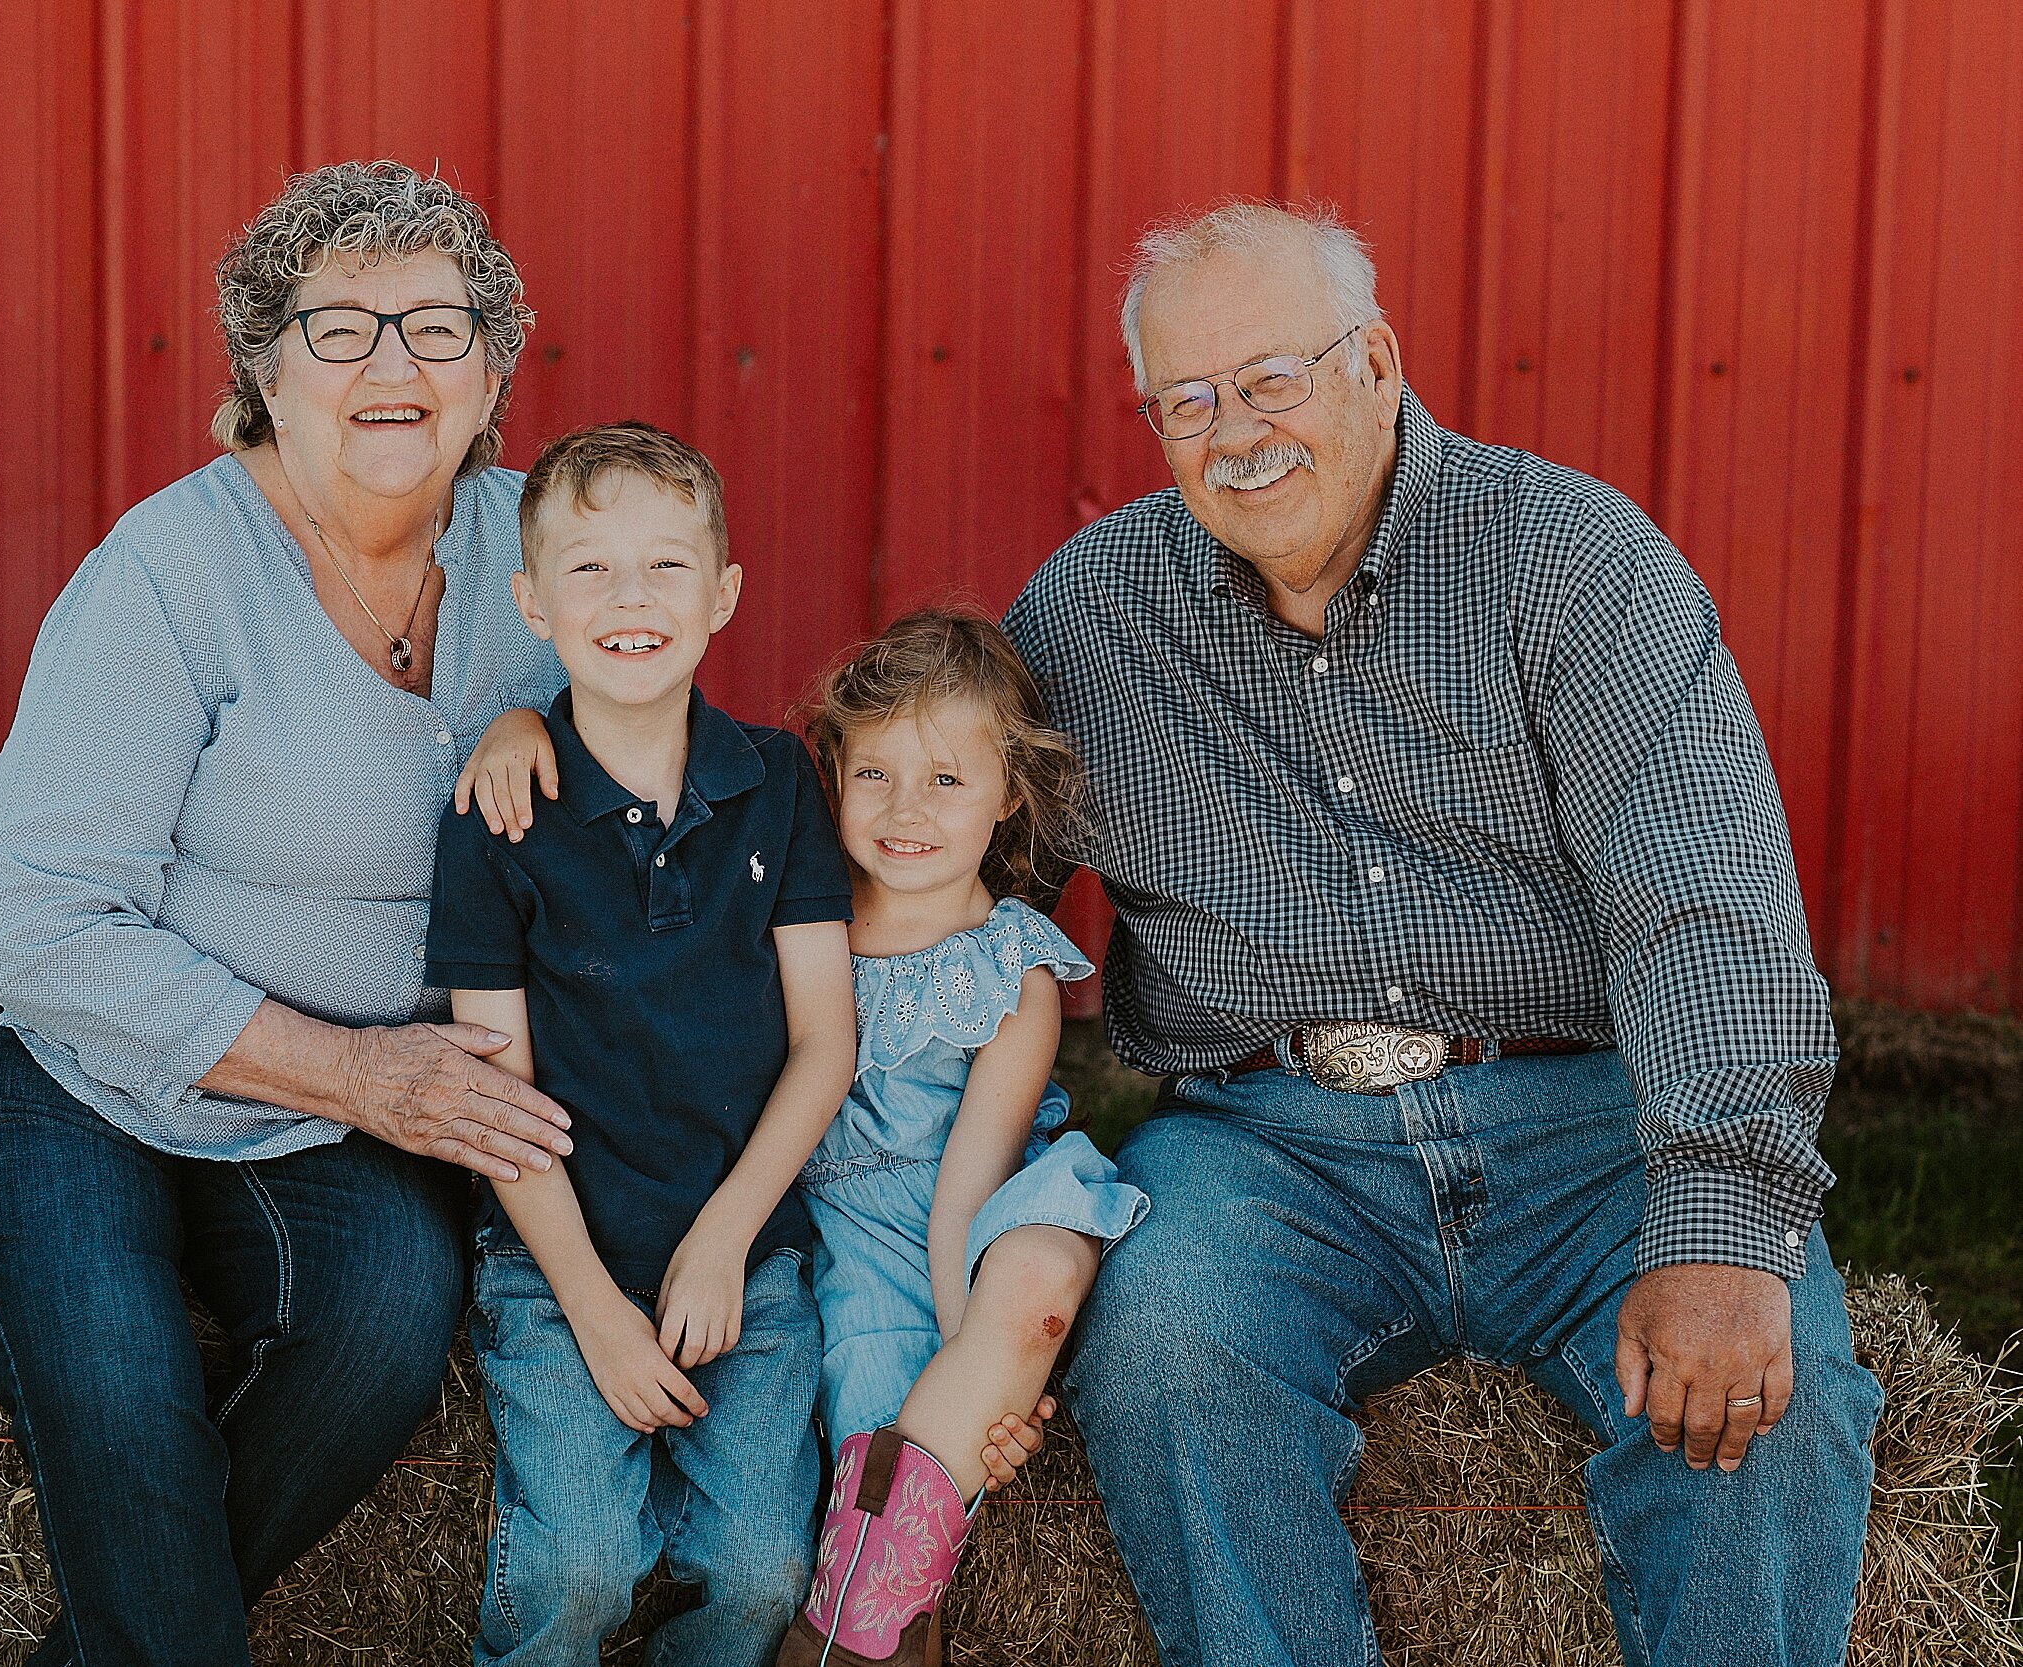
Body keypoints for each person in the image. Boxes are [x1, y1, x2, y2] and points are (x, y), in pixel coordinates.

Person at [1004, 201, 1882, 1667]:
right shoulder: (1093, 615)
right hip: (1265, 1142)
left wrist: (1726, 1217)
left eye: (1274, 377)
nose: (1236, 434)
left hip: (1589, 1116)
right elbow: (948, 883)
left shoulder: (1572, 563)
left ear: (1380, 361)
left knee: (1768, 1405)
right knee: (1160, 1344)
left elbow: (1705, 900)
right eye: (1189, 401)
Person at [0, 161, 574, 1667]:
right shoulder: (172, 571)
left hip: (277, 1092)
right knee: (121, 1383)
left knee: (381, 1327)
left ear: (492, 365)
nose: (391, 366)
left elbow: (663, 764)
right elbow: (41, 924)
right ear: (265, 367)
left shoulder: (545, 554)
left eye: (435, 325)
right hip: (6, 1035)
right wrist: (368, 1073)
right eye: (339, 326)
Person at [424, 421, 859, 1665]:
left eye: (666, 566)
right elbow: (489, 1094)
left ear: (721, 592)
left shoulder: (776, 783)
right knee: (580, 1565)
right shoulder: (497, 810)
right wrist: (595, 1311)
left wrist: (726, 1238)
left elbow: (824, 1041)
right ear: (529, 600)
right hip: (560, 1264)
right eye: (589, 569)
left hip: (750, 1256)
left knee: (764, 1568)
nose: (630, 600)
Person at [774, 609, 1148, 1667]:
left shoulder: (1010, 971)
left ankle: (853, 1625)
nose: (906, 810)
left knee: (1028, 1283)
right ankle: (875, 1630)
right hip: (838, 1220)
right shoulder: (802, 924)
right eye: (876, 773)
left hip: (965, 1210)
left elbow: (966, 1189)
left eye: (946, 780)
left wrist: (971, 1352)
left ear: (1009, 795)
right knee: (868, 1426)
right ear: (834, 773)